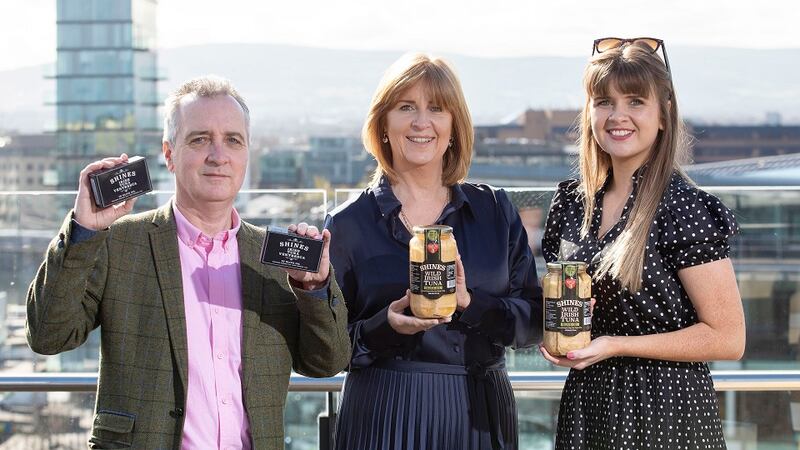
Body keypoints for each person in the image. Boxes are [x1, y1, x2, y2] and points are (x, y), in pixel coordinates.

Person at [26, 75, 350, 449]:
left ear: (247, 154)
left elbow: (327, 362)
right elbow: (48, 335)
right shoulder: (119, 241)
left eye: (233, 140)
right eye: (199, 139)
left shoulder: (276, 259)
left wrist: (313, 289)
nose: (218, 154)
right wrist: (83, 229)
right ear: (169, 154)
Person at [325, 53, 542, 450]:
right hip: (384, 413)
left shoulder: (494, 211)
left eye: (437, 109)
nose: (421, 122)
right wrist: (386, 326)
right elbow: (328, 349)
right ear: (383, 126)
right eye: (406, 107)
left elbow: (533, 321)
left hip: (481, 414)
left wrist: (470, 303)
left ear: (454, 126)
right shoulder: (347, 224)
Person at [540, 38, 746, 449]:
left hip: (664, 411)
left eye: (635, 101)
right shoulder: (573, 204)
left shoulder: (682, 207)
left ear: (663, 115)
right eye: (604, 102)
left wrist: (616, 346)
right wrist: (556, 336)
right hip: (589, 403)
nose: (618, 116)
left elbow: (728, 337)